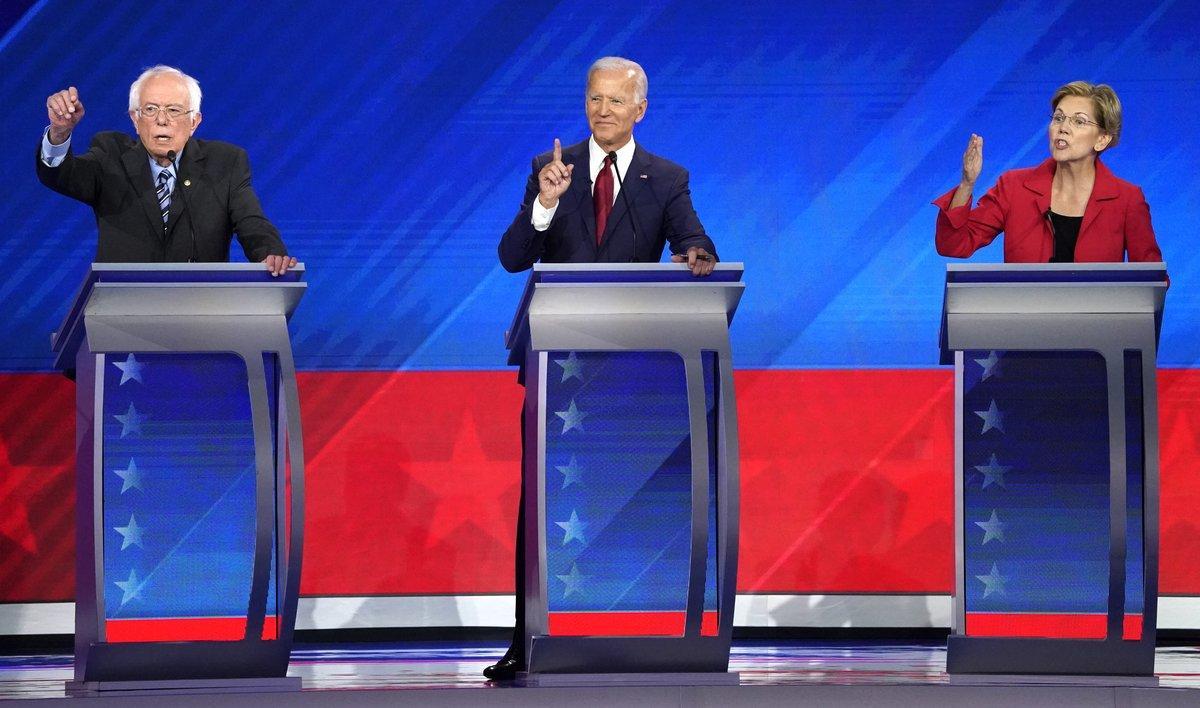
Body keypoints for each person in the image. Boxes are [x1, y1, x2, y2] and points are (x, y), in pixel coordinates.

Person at [487, 56, 719, 682]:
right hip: (556, 368)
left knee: (639, 498)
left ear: (640, 109)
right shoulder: (550, 170)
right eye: (594, 99)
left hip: (633, 373)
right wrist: (543, 203)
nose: (603, 110)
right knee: (539, 504)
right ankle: (523, 640)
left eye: (616, 101)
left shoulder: (664, 177)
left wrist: (695, 254)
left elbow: (696, 242)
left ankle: (645, 632)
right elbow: (513, 258)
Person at [37, 65, 296, 275]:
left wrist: (270, 254)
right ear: (135, 120)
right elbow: (62, 174)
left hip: (203, 312)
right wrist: (60, 132)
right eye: (150, 109)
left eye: (174, 110)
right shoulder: (110, 154)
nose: (162, 119)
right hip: (122, 313)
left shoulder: (225, 163)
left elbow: (252, 223)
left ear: (194, 121)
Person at [933, 81, 1163, 264]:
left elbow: (1151, 280)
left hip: (1096, 323)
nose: (1063, 127)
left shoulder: (1127, 200)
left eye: (1079, 122)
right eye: (1059, 118)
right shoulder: (1014, 187)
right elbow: (953, 244)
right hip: (1025, 321)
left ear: (1102, 139)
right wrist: (967, 183)